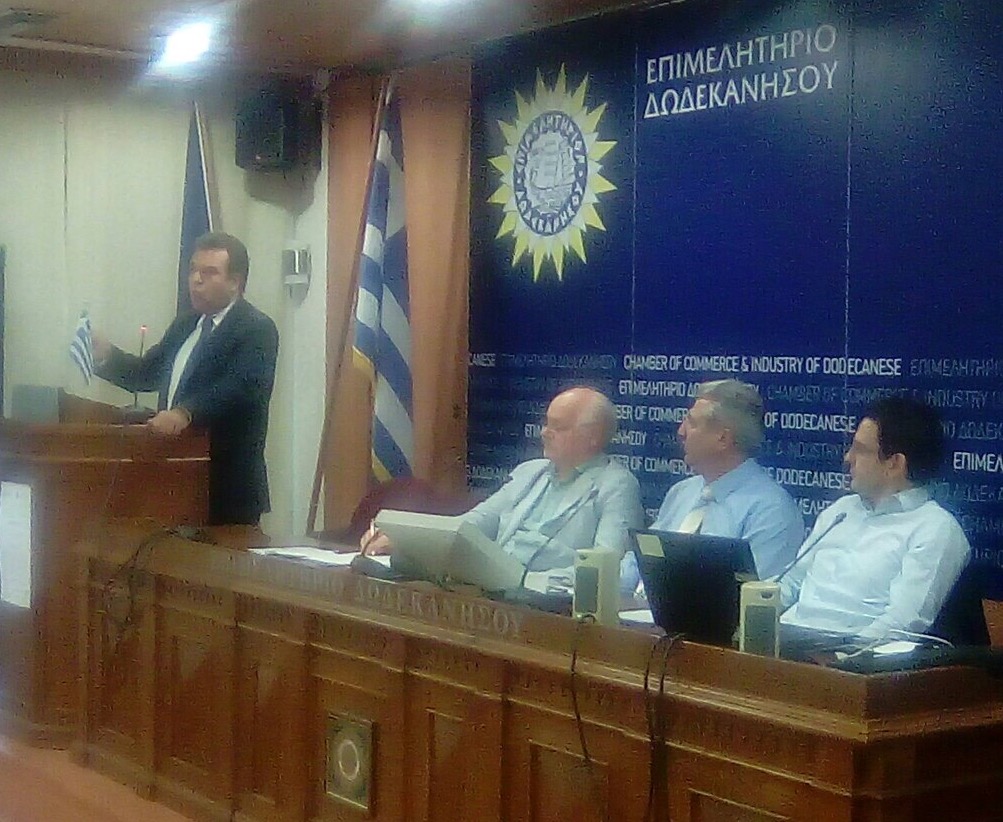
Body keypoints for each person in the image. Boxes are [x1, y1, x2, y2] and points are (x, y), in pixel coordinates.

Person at [92, 232, 279, 526]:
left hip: (225, 485)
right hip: (174, 476)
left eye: (209, 272)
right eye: (193, 270)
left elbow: (239, 388)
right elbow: (147, 372)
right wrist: (107, 356)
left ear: (235, 281)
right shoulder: (186, 324)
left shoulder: (256, 328)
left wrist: (184, 413)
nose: (195, 280)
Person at [362, 386, 644, 572]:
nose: (544, 433)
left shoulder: (616, 485)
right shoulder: (530, 472)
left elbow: (606, 567)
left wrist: (533, 577)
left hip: (551, 600)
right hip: (494, 587)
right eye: (546, 423)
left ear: (592, 436)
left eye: (557, 427)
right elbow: (471, 524)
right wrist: (406, 538)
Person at [779, 396, 970, 642]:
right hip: (786, 639)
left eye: (860, 450)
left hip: (848, 653)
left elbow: (903, 622)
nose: (848, 458)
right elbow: (791, 582)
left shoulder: (935, 528)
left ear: (895, 463)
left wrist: (844, 655)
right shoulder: (841, 510)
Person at [620, 379, 803, 594]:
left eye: (692, 423)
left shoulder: (772, 511)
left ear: (723, 439)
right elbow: (638, 561)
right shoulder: (682, 492)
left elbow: (754, 598)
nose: (681, 431)